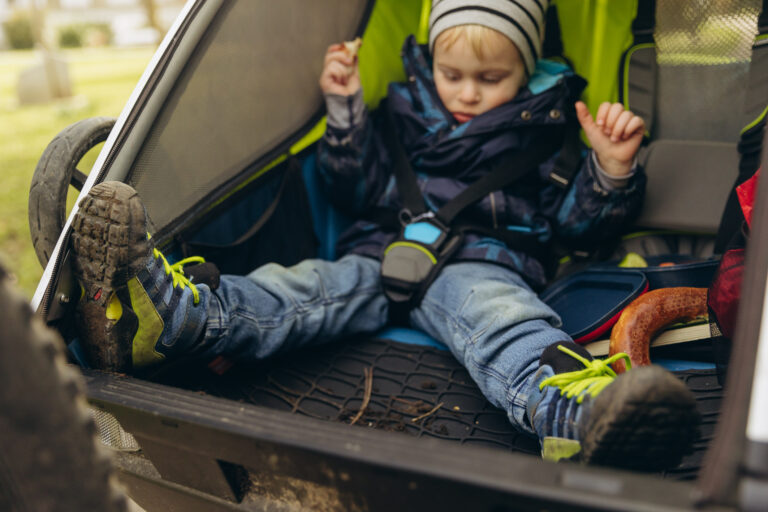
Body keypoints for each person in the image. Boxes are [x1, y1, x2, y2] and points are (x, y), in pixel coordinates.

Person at [70, 0, 699, 471]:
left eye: (491, 79)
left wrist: (609, 171)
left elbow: (572, 226)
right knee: (296, 289)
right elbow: (354, 185)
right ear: (430, 60)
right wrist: (344, 110)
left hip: (481, 262)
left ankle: (570, 412)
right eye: (453, 74)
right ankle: (176, 320)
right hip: (375, 255)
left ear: (528, 70)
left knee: (501, 317)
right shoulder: (401, 109)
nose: (467, 94)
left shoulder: (544, 133)